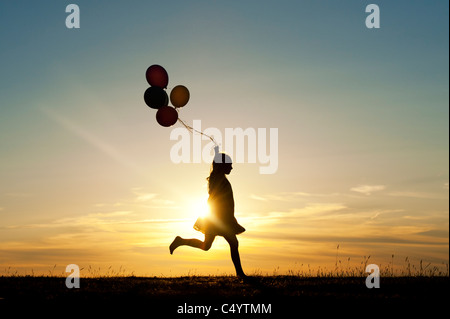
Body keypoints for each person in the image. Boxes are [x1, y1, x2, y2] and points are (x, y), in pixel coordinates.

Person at [169, 150, 247, 279]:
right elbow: (214, 199)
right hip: (219, 219)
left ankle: (180, 241)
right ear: (222, 165)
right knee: (233, 243)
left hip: (218, 218)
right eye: (230, 165)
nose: (232, 167)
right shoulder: (218, 180)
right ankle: (240, 273)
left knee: (206, 246)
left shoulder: (218, 178)